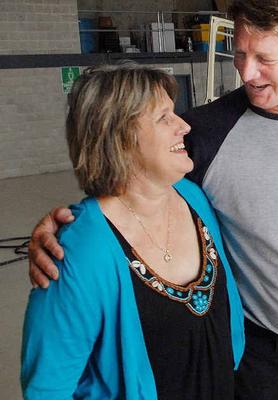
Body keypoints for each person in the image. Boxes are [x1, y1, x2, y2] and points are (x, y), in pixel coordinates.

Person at [27, 1, 278, 399]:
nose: (247, 73)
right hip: (262, 361)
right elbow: (128, 181)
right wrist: (66, 228)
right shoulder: (206, 131)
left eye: (265, 58)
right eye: (240, 54)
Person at [21, 64, 245, 399]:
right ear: (119, 137)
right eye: (163, 117)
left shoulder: (193, 197)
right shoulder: (78, 250)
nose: (183, 126)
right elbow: (47, 389)